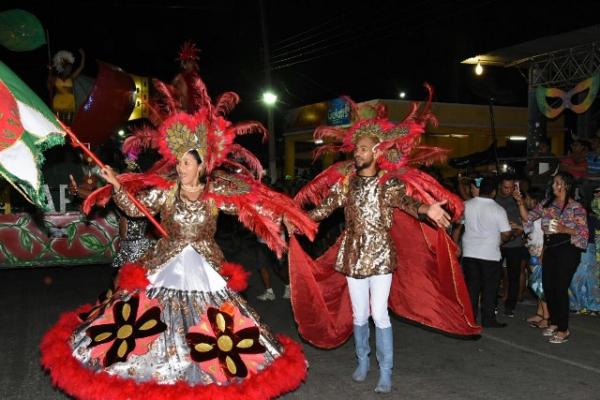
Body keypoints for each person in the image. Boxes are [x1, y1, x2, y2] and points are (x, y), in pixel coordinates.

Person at [40, 62, 315, 400]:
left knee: (213, 328)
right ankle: (161, 374)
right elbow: (135, 208)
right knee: (153, 320)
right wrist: (116, 185)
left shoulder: (215, 194)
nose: (180, 168)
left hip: (204, 267)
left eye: (186, 163)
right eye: (179, 162)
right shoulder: (167, 190)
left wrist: (281, 215)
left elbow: (250, 204)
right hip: (167, 262)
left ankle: (205, 376)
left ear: (201, 165)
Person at [289, 88, 480, 394]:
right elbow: (322, 211)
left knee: (379, 314)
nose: (357, 153)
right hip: (352, 254)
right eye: (356, 149)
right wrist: (296, 219)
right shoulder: (346, 184)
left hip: (380, 255)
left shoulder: (387, 185)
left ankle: (386, 371)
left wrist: (426, 208)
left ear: (377, 152)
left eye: (363, 149)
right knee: (358, 314)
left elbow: (407, 202)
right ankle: (363, 361)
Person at [518, 172, 588, 344]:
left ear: (567, 186)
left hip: (568, 250)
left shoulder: (576, 207)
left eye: (558, 183)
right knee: (549, 288)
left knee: (560, 288)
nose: (554, 186)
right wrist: (520, 202)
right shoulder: (547, 203)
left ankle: (564, 329)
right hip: (550, 249)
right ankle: (554, 322)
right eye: (553, 183)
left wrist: (565, 229)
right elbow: (528, 218)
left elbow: (584, 233)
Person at [462, 177, 513, 328]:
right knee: (490, 288)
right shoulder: (498, 209)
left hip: (470, 252)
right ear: (493, 192)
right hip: (489, 254)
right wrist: (506, 237)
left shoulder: (466, 205)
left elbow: (458, 223)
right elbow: (506, 233)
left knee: (472, 287)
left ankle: (470, 319)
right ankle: (488, 319)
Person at [495, 175, 528, 318]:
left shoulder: (519, 199)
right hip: (497, 242)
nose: (508, 190)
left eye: (510, 187)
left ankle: (510, 306)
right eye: (505, 187)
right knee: (494, 275)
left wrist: (521, 201)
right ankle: (492, 304)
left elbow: (527, 218)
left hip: (515, 243)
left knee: (514, 275)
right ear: (500, 186)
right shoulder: (494, 199)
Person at [47, 49, 85, 124]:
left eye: (70, 68)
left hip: (69, 104)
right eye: (68, 68)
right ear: (63, 68)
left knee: (68, 125)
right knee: (59, 124)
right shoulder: (55, 78)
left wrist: (83, 55)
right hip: (58, 104)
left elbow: (81, 66)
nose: (69, 69)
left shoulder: (72, 77)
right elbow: (49, 88)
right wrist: (49, 78)